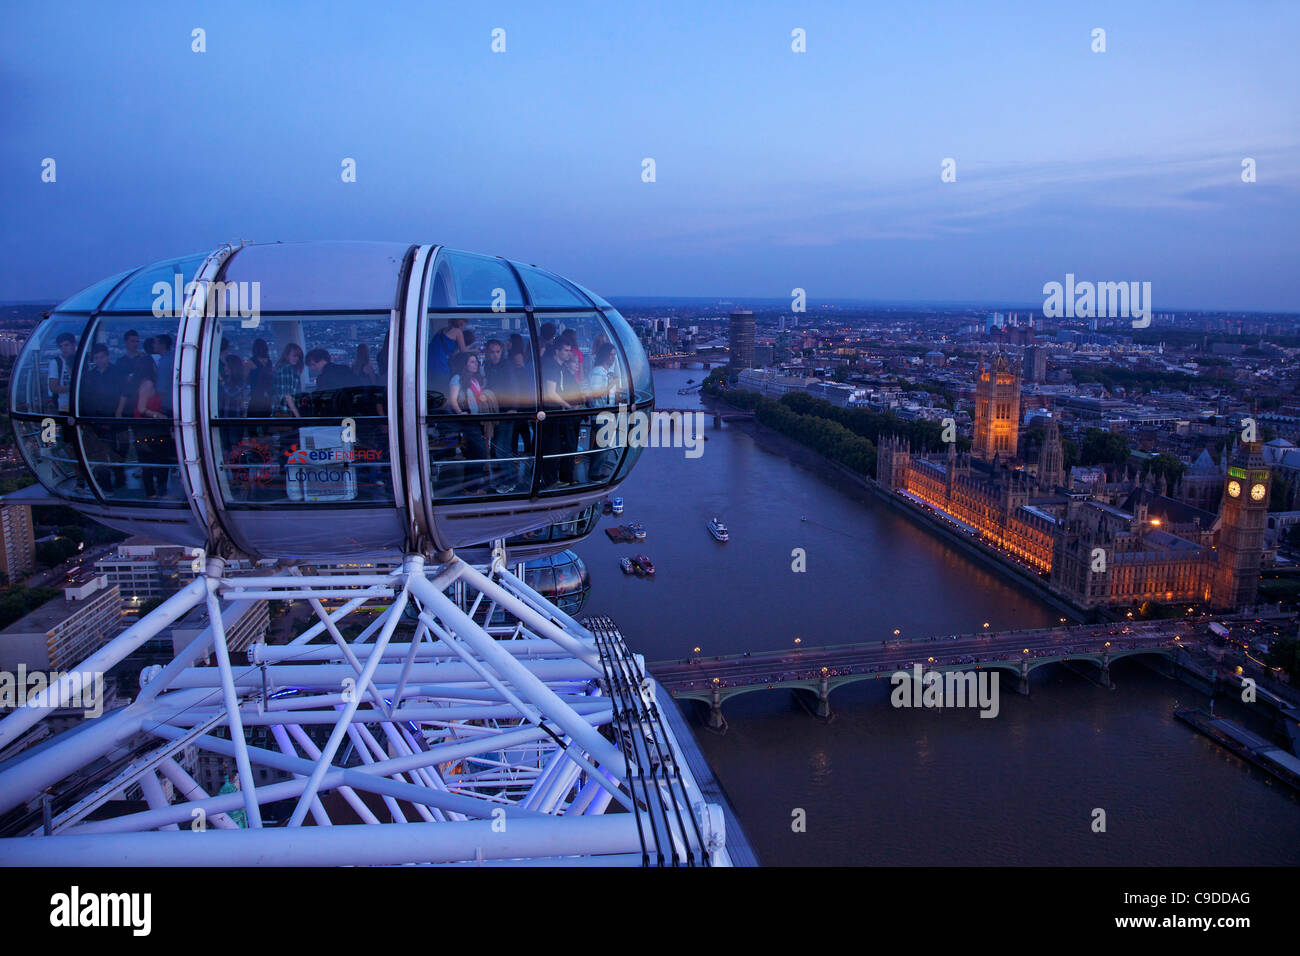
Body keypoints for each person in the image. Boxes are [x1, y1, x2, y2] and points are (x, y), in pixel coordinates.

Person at [79, 343, 126, 489]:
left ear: (107, 356)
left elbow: (124, 394)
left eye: (102, 357)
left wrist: (119, 412)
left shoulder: (117, 372)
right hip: (96, 420)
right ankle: (106, 484)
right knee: (98, 452)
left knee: (114, 450)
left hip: (112, 418)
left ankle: (119, 480)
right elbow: (85, 397)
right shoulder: (90, 376)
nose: (99, 360)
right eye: (96, 358)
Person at [132, 370, 170, 498]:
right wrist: (158, 415)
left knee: (149, 462)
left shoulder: (141, 384)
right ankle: (158, 492)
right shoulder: (148, 384)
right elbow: (141, 408)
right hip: (151, 429)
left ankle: (152, 492)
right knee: (159, 461)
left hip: (145, 430)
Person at [47, 332, 77, 414]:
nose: (64, 349)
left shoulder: (82, 360)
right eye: (61, 346)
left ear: (73, 345)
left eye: (66, 345)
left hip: (81, 405)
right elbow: (53, 387)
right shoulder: (56, 363)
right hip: (64, 407)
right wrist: (74, 388)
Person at [274, 343, 305, 417]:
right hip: (285, 412)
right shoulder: (287, 369)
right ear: (286, 355)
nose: (297, 358)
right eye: (294, 356)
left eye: (298, 356)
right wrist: (298, 416)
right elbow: (287, 396)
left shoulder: (281, 368)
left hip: (281, 411)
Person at [246, 338, 275, 417]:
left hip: (256, 395)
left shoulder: (250, 362)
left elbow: (246, 379)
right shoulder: (269, 362)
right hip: (268, 395)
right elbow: (270, 377)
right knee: (266, 422)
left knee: (252, 423)